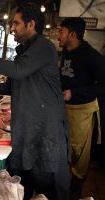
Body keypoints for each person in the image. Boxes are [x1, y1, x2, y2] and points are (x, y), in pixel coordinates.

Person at [0, 4, 69, 200]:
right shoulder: (24, 51)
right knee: (25, 177)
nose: (12, 28)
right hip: (26, 125)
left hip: (45, 128)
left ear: (31, 24)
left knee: (47, 181)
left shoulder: (43, 46)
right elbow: (12, 84)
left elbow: (18, 70)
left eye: (16, 23)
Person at [58, 17, 105, 199]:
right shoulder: (65, 52)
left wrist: (74, 93)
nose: (58, 35)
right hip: (63, 109)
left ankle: (76, 190)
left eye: (61, 32)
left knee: (79, 154)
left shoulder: (91, 56)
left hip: (82, 111)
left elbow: (102, 86)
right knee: (64, 148)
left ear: (72, 34)